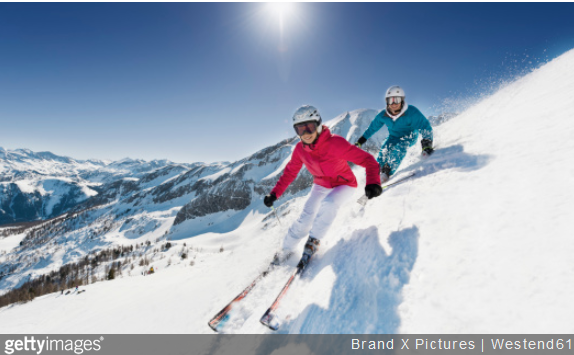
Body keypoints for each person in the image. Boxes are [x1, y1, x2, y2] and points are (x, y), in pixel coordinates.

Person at [264, 105, 382, 268]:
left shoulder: (335, 143)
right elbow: (290, 173)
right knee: (305, 218)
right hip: (321, 184)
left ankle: (313, 242)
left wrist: (373, 182)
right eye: (300, 130)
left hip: (344, 184)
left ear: (318, 125)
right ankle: (286, 249)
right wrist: (274, 194)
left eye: (309, 127)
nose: (305, 134)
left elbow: (368, 160)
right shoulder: (300, 150)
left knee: (329, 204)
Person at [355, 85, 434, 182]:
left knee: (401, 145)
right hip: (393, 137)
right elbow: (372, 128)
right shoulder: (383, 115)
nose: (393, 103)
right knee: (385, 149)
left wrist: (427, 144)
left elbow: (424, 126)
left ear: (401, 100)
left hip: (410, 135)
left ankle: (386, 171)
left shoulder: (411, 112)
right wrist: (360, 141)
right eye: (390, 100)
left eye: (396, 99)